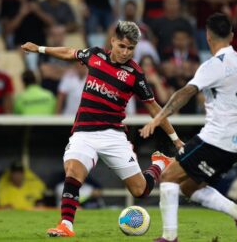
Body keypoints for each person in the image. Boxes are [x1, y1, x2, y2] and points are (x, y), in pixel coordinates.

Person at [21, 20, 183, 237]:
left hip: (113, 135)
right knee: (73, 171)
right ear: (113, 41)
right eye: (122, 46)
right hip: (83, 132)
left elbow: (155, 108)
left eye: (131, 48)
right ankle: (66, 225)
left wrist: (175, 139)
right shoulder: (95, 55)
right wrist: (39, 48)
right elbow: (70, 52)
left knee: (140, 191)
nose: (126, 52)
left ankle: (158, 164)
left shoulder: (134, 74)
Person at [140, 13, 237, 242]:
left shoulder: (212, 65)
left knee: (168, 176)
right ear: (231, 36)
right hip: (236, 143)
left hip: (215, 139)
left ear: (207, 36)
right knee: (189, 187)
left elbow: (185, 93)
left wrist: (157, 118)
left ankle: (169, 238)